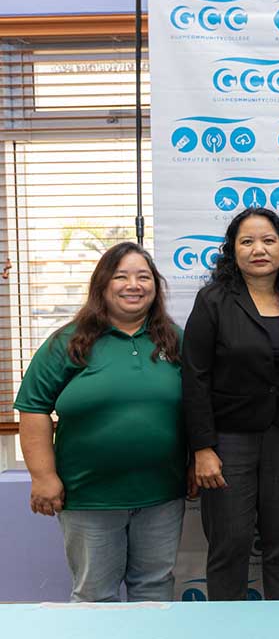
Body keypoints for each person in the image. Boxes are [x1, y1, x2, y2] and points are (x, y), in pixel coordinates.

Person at [15, 242, 186, 602]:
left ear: (155, 286)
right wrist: (43, 477)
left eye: (143, 276)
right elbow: (33, 408)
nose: (133, 285)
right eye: (121, 276)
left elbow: (200, 406)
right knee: (95, 596)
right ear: (102, 285)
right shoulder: (69, 341)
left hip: (161, 496)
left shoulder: (174, 340)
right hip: (89, 497)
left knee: (155, 590)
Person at [182, 208, 279, 601]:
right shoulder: (213, 301)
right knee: (230, 543)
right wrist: (202, 448)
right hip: (228, 442)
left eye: (268, 240)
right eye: (247, 241)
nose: (258, 249)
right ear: (233, 251)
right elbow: (195, 376)